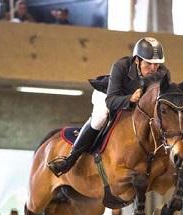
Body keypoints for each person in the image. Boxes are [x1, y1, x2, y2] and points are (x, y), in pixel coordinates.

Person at [48, 37, 170, 177]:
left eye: (157, 64)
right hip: (107, 95)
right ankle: (70, 160)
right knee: (100, 117)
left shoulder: (163, 74)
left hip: (136, 105)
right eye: (149, 63)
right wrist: (130, 98)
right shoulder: (121, 66)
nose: (154, 68)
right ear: (137, 60)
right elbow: (111, 101)